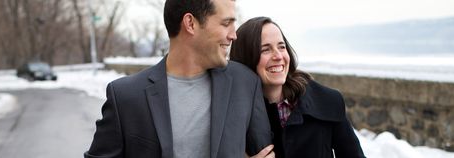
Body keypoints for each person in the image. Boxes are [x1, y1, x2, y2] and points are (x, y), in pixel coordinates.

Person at [84, 1, 274, 158]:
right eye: (226, 24)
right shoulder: (125, 96)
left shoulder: (246, 84)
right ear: (190, 24)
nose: (233, 34)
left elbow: (266, 152)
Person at [230, 16, 366, 158]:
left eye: (281, 47)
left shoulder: (328, 101)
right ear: (246, 59)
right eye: (265, 49)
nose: (278, 56)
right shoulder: (233, 117)